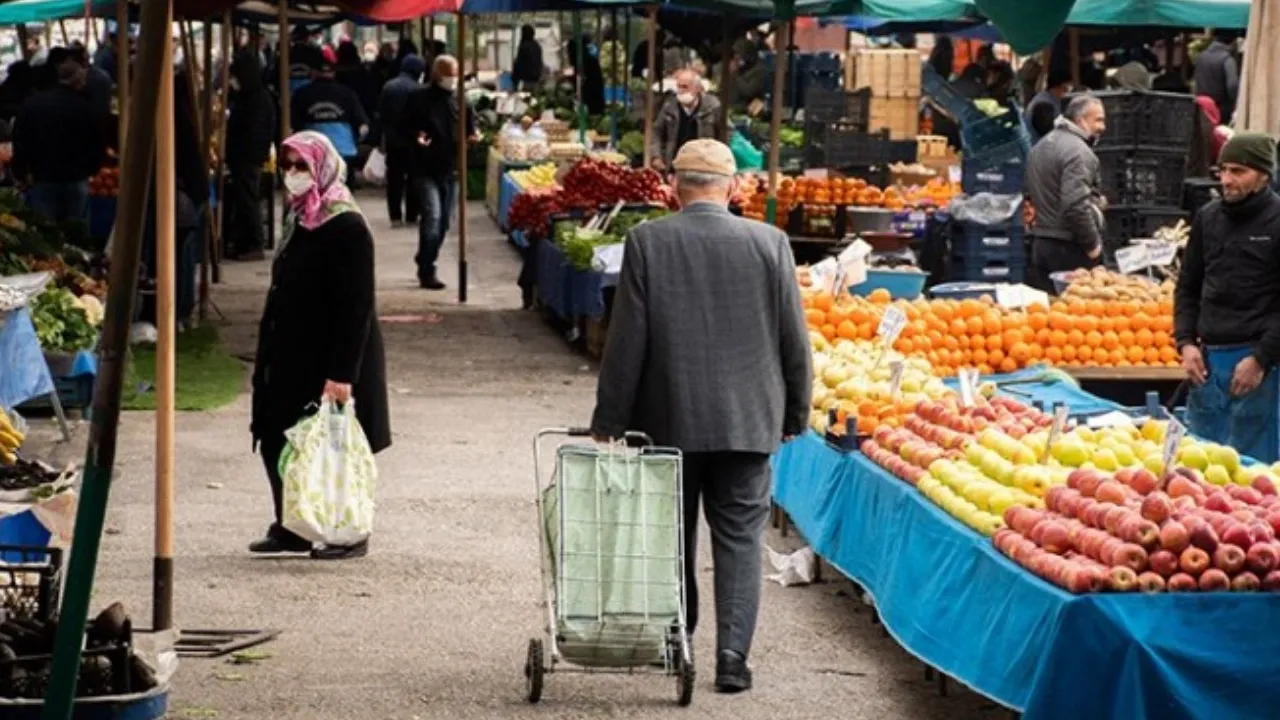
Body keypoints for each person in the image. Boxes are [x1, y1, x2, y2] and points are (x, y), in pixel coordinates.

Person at [590, 139, 811, 694]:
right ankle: (732, 658)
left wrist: (610, 417)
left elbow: (627, 341)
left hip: (667, 417)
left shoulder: (647, 241)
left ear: (673, 189)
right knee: (739, 539)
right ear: (735, 188)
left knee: (671, 535)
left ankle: (678, 641)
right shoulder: (771, 243)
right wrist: (795, 410)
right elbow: (794, 339)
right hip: (748, 421)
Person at [249, 131, 390, 560]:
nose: (292, 175)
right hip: (291, 350)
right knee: (281, 437)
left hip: (330, 355)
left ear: (323, 169)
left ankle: (347, 531)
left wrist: (342, 373)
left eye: (301, 167)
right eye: (287, 166)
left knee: (332, 445)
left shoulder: (345, 224)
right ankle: (294, 525)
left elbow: (356, 307)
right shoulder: (300, 218)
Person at [1175, 133, 1280, 463]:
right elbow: (1188, 285)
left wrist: (1261, 358)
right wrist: (1186, 342)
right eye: (1223, 170)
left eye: (1238, 171)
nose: (1227, 180)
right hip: (1208, 363)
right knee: (1200, 467)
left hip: (1260, 364)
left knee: (1254, 474)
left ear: (1263, 174)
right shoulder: (1208, 218)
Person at [402, 54, 476, 290]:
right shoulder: (418, 99)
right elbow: (405, 127)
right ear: (435, 75)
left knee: (444, 222)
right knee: (432, 217)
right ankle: (427, 268)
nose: (451, 79)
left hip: (452, 169)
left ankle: (425, 256)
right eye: (447, 74)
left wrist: (473, 138)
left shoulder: (463, 101)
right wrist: (417, 137)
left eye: (454, 74)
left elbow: (470, 131)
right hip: (424, 168)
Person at [1024, 94, 1107, 293]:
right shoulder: (1079, 152)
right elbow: (1075, 205)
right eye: (1098, 120)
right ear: (1080, 121)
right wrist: (1093, 245)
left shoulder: (1041, 146)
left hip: (1042, 243)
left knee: (1051, 315)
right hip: (1069, 246)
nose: (1103, 127)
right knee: (1077, 315)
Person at [11, 51, 104, 223]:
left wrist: (21, 171)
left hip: (44, 177)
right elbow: (96, 143)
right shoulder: (85, 108)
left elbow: (21, 140)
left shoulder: (33, 104)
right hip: (76, 178)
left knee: (45, 235)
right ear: (78, 81)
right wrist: (92, 169)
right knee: (77, 237)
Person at [224, 49, 276, 259]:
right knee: (245, 197)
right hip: (248, 156)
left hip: (247, 157)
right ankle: (245, 240)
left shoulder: (257, 100)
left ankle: (254, 244)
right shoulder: (253, 96)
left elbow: (253, 131)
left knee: (248, 199)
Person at [291, 52, 369, 183]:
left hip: (313, 150)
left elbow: (294, 124)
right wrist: (358, 140)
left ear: (314, 72)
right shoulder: (348, 94)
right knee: (343, 191)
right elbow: (362, 125)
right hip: (343, 150)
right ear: (334, 73)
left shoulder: (301, 94)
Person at [378, 53, 425, 228]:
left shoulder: (388, 87)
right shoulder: (419, 89)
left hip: (393, 140)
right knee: (414, 179)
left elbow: (381, 115)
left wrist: (380, 139)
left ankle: (395, 216)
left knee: (394, 179)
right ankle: (412, 215)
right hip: (413, 142)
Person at [650, 69, 722, 172]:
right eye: (678, 86)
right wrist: (656, 156)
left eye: (685, 87)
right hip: (675, 165)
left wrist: (718, 158)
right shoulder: (669, 106)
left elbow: (726, 132)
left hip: (704, 166)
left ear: (697, 89)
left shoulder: (712, 106)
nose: (680, 91)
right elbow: (656, 131)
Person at [1194, 31, 1239, 124]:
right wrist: (1235, 101)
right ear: (1232, 42)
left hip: (1201, 104)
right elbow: (1232, 85)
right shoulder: (1227, 59)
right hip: (1221, 108)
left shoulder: (1201, 56)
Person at [1026, 68, 1072, 144]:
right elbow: (1045, 131)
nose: (1069, 91)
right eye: (1066, 88)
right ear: (1058, 86)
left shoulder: (1050, 98)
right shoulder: (1044, 103)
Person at [566, 35, 605, 116]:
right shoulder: (587, 59)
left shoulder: (583, 61)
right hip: (593, 99)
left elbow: (585, 82)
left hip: (591, 101)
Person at [511, 24, 543, 92]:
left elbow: (519, 64)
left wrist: (515, 82)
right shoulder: (537, 46)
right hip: (536, 79)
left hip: (526, 81)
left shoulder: (524, 46)